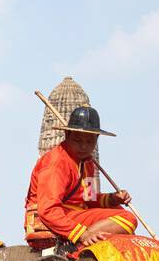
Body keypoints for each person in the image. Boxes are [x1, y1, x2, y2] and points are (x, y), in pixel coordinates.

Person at [24, 104, 137, 252]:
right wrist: (82, 234)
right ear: (67, 135)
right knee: (128, 219)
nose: (84, 146)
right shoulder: (56, 163)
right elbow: (48, 210)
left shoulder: (87, 162)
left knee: (117, 209)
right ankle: (75, 248)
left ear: (96, 140)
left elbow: (90, 199)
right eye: (78, 141)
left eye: (89, 142)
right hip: (55, 220)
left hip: (77, 214)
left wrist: (113, 198)